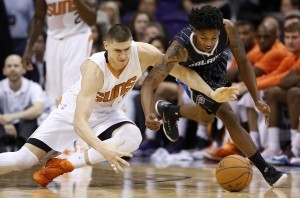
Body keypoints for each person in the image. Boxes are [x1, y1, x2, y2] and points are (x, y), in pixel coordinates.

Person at [0, 24, 238, 187]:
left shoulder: (144, 53)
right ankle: (59, 160)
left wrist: (211, 91)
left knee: (133, 136)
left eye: (126, 49)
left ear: (132, 44)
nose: (123, 56)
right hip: (71, 113)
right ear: (106, 45)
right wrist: (103, 151)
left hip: (108, 114)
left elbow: (183, 73)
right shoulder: (94, 68)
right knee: (23, 161)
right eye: (117, 51)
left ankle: (62, 165)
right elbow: (79, 122)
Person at [140, 6, 287, 187]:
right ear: (194, 31)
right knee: (228, 115)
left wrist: (257, 98)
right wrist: (148, 113)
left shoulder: (228, 28)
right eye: (203, 38)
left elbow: (243, 62)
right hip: (193, 75)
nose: (209, 43)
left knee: (207, 117)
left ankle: (171, 112)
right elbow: (149, 82)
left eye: (214, 37)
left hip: (217, 67)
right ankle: (267, 170)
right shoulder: (179, 48)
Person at [22, 0, 96, 105]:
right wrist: (28, 49)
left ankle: (77, 119)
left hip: (78, 36)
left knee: (73, 89)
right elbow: (38, 17)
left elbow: (92, 19)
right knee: (54, 93)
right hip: (53, 39)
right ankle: (59, 118)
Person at [0, 54, 45, 152]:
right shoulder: (1, 86)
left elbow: (39, 109)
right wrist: (5, 122)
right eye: (9, 66)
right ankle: (3, 148)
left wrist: (12, 117)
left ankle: (20, 149)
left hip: (24, 130)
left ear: (24, 69)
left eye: (16, 66)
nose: (12, 69)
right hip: (3, 129)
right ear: (4, 70)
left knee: (31, 113)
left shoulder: (33, 86)